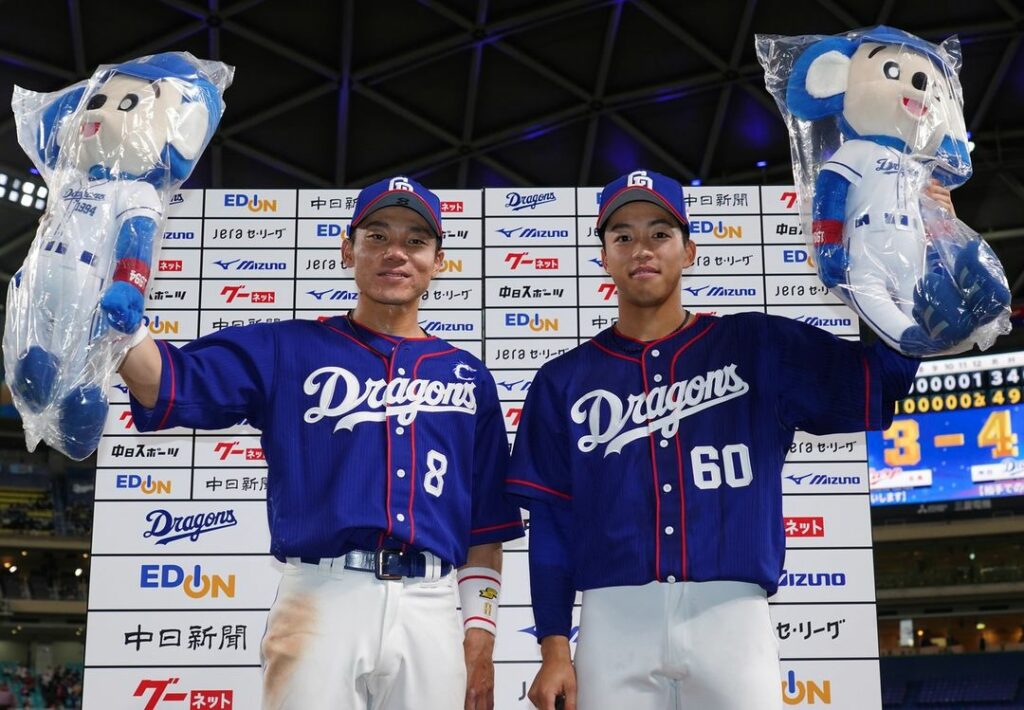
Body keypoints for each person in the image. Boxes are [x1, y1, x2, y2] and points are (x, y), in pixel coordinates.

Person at [507, 169, 926, 710]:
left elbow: (881, 380)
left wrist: (917, 245)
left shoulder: (756, 345)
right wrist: (553, 647)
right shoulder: (562, 380)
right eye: (623, 236)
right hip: (613, 622)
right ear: (604, 258)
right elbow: (552, 526)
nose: (642, 249)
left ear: (689, 251)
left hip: (733, 617)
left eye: (660, 233)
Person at [118, 175, 524, 710]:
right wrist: (121, 326)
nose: (396, 252)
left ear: (438, 260)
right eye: (377, 236)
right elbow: (163, 382)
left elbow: (486, 528)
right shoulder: (287, 348)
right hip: (322, 595)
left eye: (416, 240)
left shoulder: (468, 376)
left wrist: (480, 638)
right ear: (346, 250)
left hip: (433, 605)